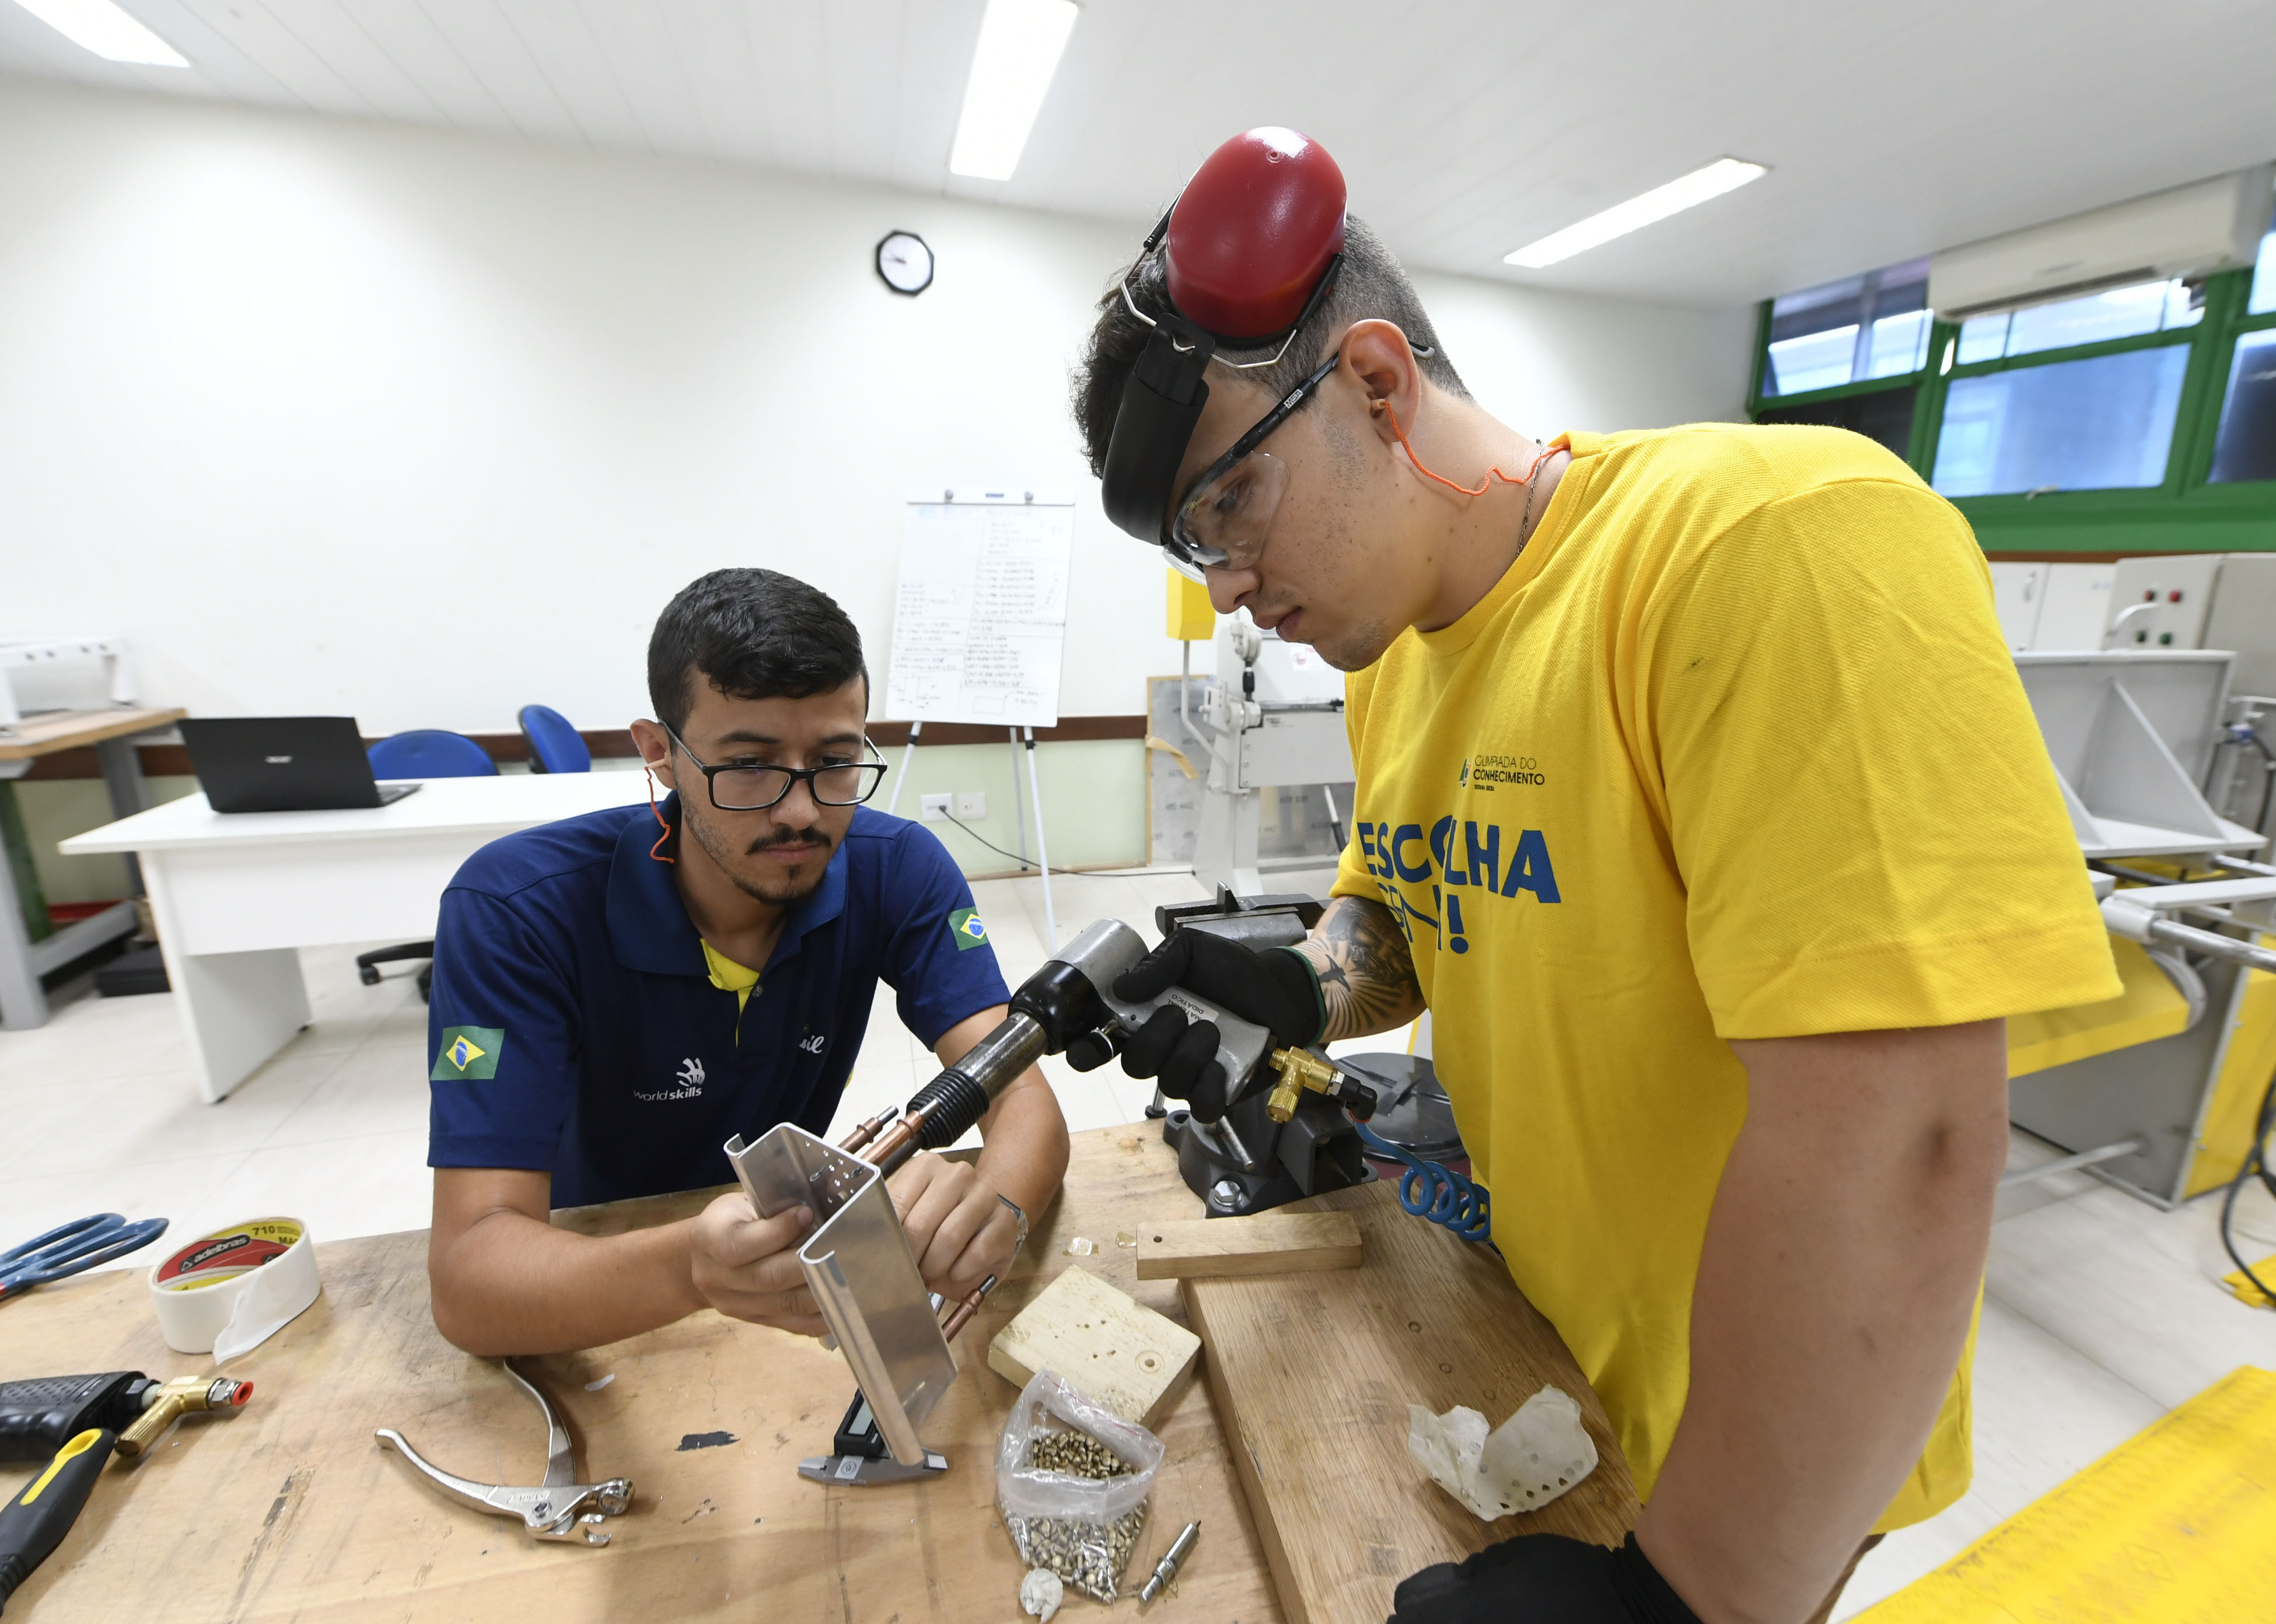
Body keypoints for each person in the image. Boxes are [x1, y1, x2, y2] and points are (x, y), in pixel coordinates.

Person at [1074, 132, 2118, 1624]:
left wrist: (1683, 1598)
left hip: (1759, 1433)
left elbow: (1908, 1138)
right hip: (1543, 1339)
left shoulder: (1767, 542)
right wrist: (1301, 984)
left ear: (1376, 385)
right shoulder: (1395, 657)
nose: (1226, 585)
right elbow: (1409, 912)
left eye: (1231, 504)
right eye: (1192, 546)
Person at [422, 568, 1069, 1355]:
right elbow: (469, 1282)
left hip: (779, 1296)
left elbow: (1020, 1093)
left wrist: (995, 1210)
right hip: (589, 1285)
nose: (801, 811)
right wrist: (692, 1268)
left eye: (834, 761)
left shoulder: (895, 867)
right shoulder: (517, 908)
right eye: (750, 766)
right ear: (660, 754)